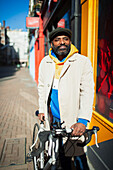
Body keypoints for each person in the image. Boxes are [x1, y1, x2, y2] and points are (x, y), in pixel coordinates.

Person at [38, 27, 94, 170]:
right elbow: (42, 87)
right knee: (60, 153)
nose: (62, 42)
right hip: (53, 118)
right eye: (57, 40)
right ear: (51, 44)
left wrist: (82, 121)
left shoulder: (82, 61)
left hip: (72, 119)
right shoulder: (45, 62)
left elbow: (87, 91)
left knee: (78, 154)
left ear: (70, 42)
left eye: (65, 39)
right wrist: (42, 109)